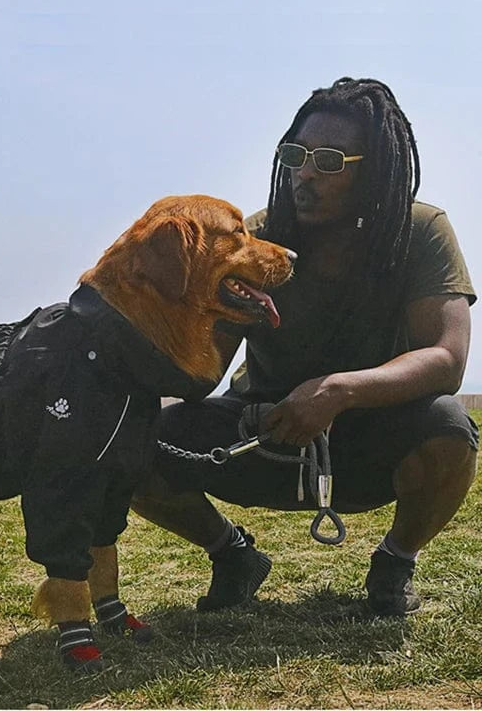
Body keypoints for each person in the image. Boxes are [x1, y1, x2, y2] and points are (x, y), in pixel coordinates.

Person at [131, 77, 478, 616]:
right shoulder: (257, 241)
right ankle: (233, 555)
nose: (306, 174)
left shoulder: (421, 230)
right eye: (297, 155)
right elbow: (202, 368)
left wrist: (339, 390)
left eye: (331, 161)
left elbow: (447, 358)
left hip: (368, 433)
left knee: (449, 430)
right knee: (128, 441)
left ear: (376, 171)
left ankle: (395, 562)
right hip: (262, 433)